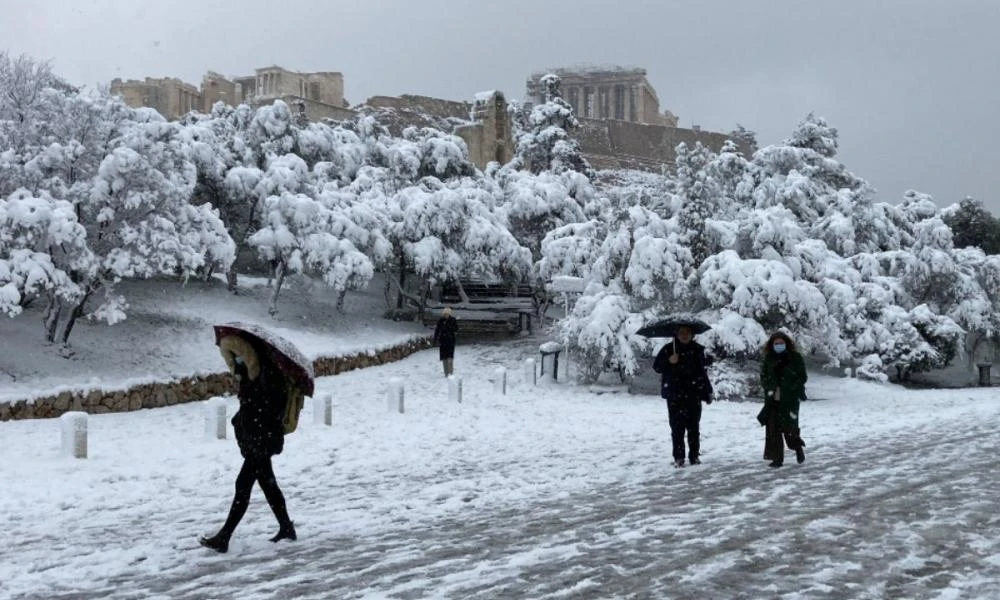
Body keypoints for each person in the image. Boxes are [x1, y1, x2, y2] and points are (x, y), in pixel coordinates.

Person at [200, 334, 296, 553]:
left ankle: (224, 537)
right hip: (256, 439)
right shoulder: (252, 376)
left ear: (248, 356)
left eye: (239, 357)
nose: (237, 362)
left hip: (262, 440)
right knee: (268, 484)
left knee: (242, 486)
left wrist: (251, 407)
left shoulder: (269, 375)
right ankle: (286, 527)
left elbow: (270, 407)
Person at [652, 325, 713, 468]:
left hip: (693, 394)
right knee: (677, 428)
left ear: (692, 334)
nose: (684, 335)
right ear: (676, 335)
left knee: (694, 428)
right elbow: (657, 367)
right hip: (675, 395)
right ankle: (679, 457)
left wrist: (707, 391)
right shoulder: (668, 349)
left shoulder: (698, 350)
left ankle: (694, 456)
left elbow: (702, 372)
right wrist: (669, 361)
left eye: (687, 333)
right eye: (681, 333)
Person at [757, 331, 807, 468]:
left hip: (789, 399)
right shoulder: (769, 359)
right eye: (776, 343)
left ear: (787, 343)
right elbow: (764, 376)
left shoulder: (795, 357)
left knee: (789, 428)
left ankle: (797, 447)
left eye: (781, 343)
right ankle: (777, 458)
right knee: (773, 428)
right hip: (773, 399)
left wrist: (792, 388)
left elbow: (802, 376)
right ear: (771, 345)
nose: (779, 345)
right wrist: (768, 388)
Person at [433, 307, 458, 377]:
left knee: (450, 358)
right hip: (443, 341)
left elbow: (456, 329)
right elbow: (437, 330)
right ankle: (446, 373)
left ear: (449, 314)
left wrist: (451, 330)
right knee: (444, 358)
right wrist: (435, 340)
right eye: (445, 314)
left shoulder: (453, 320)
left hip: (450, 341)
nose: (446, 315)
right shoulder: (440, 321)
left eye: (447, 314)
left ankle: (451, 373)